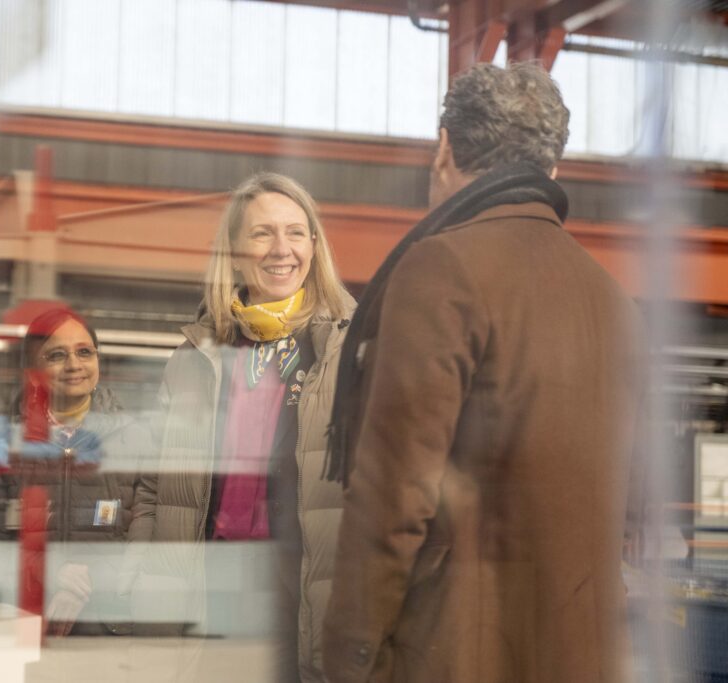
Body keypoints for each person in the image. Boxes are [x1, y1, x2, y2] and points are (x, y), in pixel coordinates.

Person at [321, 62, 646, 683]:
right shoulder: (614, 301)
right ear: (553, 167)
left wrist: (352, 655)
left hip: (459, 652)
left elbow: (395, 493)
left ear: (444, 149)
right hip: (585, 653)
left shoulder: (441, 269)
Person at [127, 172, 355, 681]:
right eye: (261, 233)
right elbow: (151, 486)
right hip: (207, 590)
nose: (282, 249)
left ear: (314, 246)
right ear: (233, 247)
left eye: (296, 232)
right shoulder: (195, 356)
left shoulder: (350, 349)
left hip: (299, 595)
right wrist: (148, 579)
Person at [16, 305, 150, 637]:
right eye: (56, 355)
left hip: (107, 623)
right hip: (21, 617)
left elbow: (146, 535)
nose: (74, 365)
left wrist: (83, 582)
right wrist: (51, 571)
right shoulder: (9, 440)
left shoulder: (136, 437)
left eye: (84, 352)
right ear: (34, 370)